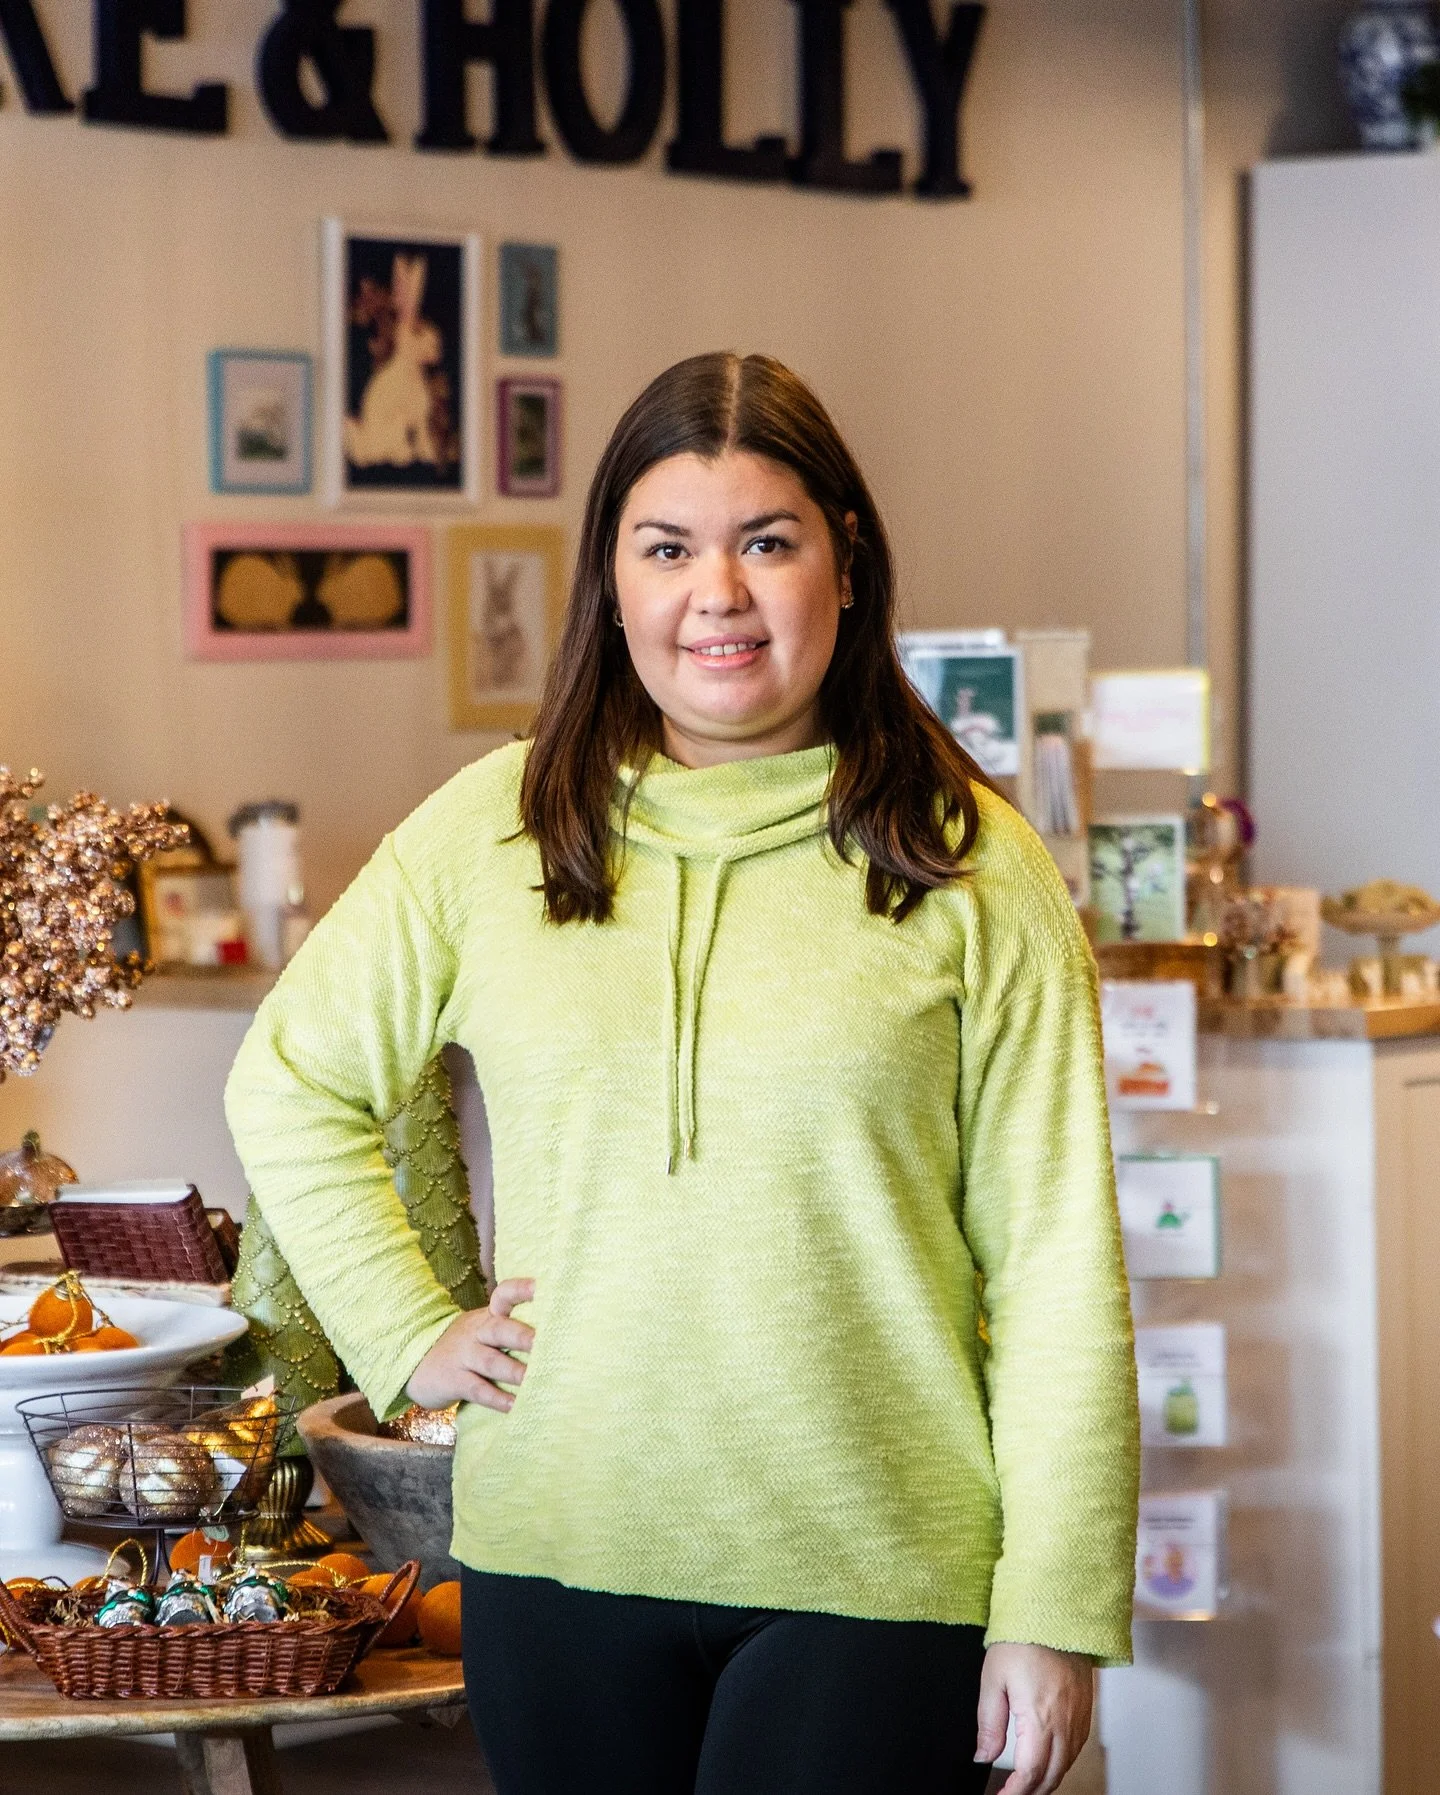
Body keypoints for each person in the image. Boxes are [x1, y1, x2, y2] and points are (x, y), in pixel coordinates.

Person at [226, 352, 1140, 1795]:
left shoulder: (972, 863)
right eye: (668, 548)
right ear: (613, 582)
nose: (716, 592)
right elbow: (291, 1076)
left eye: (766, 541)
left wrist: (1056, 1604)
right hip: (560, 1549)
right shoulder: (498, 828)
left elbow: (1057, 1268)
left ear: (846, 563)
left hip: (876, 1565)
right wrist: (409, 1328)